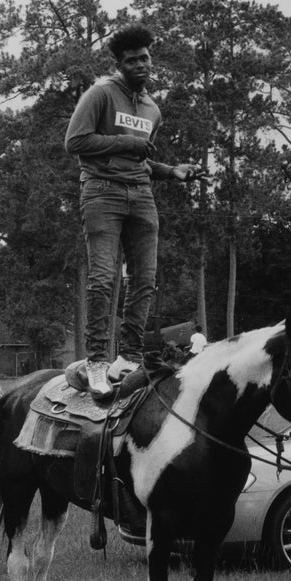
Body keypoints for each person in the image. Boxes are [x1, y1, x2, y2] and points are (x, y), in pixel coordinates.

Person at [64, 24, 196, 399]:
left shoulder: (153, 108)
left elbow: (143, 157)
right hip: (101, 193)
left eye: (145, 58)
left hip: (141, 195)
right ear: (120, 64)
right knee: (103, 279)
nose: (141, 65)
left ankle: (130, 357)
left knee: (145, 280)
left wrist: (172, 171)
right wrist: (124, 141)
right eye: (132, 61)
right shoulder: (101, 94)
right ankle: (96, 362)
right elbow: (74, 141)